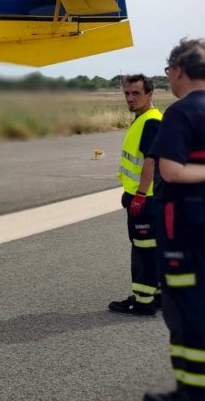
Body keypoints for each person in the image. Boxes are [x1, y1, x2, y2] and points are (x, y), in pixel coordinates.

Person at [144, 38, 205, 401]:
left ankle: (192, 392)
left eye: (168, 71)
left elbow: (171, 170)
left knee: (185, 312)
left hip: (184, 232)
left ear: (178, 71)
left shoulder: (180, 113)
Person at [108, 74, 162, 316]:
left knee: (143, 250)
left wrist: (139, 194)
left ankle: (142, 302)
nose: (130, 98)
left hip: (147, 200)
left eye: (136, 94)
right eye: (127, 94)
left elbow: (152, 160)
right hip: (147, 197)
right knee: (153, 248)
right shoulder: (144, 119)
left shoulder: (150, 121)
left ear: (150, 95)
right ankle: (157, 294)